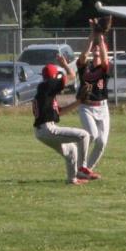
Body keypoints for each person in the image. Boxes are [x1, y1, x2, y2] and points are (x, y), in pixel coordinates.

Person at [32, 55, 100, 185]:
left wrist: (79, 101)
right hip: (47, 129)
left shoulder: (45, 93)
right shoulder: (48, 85)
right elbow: (72, 76)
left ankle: (72, 180)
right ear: (53, 76)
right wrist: (65, 65)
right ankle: (82, 168)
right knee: (84, 135)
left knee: (71, 150)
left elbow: (60, 112)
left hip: (42, 131)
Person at [76, 20, 110, 177]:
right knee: (93, 135)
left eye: (99, 51)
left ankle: (85, 170)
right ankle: (82, 167)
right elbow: (83, 55)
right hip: (86, 107)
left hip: (102, 107)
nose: (96, 52)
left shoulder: (104, 69)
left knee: (102, 142)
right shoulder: (84, 67)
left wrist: (101, 38)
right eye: (94, 51)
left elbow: (104, 58)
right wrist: (92, 35)